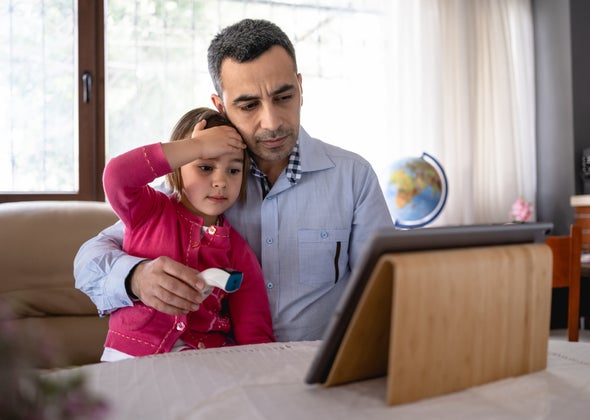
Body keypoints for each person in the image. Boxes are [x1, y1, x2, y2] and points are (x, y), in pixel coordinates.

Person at [74, 18, 393, 342]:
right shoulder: (193, 183)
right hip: (221, 373)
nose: (271, 122)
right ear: (220, 106)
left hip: (316, 371)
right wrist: (136, 278)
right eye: (249, 105)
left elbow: (386, 292)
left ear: (300, 89)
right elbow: (89, 259)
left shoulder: (354, 178)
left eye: (283, 97)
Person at [99, 107, 274, 361]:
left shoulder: (238, 251)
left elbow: (255, 335)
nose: (220, 181)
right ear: (178, 166)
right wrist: (195, 146)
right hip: (129, 357)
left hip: (203, 364)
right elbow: (117, 176)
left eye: (233, 171)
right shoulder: (148, 210)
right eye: (205, 166)